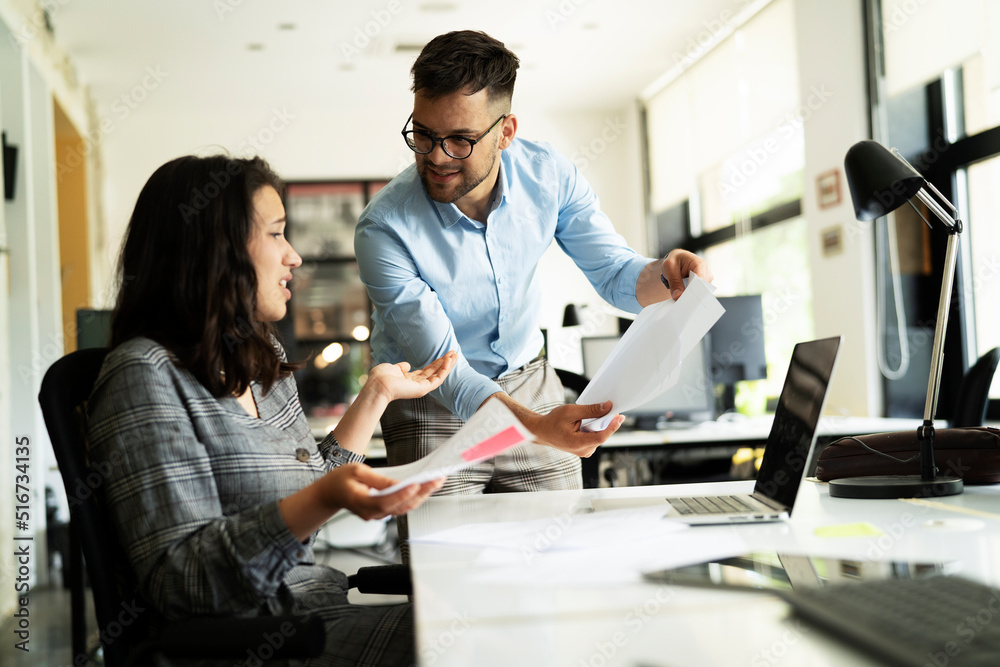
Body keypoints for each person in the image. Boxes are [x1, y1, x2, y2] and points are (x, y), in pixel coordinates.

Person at [86, 154, 457, 666]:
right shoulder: (144, 376)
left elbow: (308, 494)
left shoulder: (261, 360)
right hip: (257, 642)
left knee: (503, 613)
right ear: (216, 250)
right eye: (277, 234)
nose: (295, 257)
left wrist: (376, 395)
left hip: (317, 611)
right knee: (484, 637)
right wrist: (325, 497)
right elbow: (184, 583)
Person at [355, 30, 713, 496]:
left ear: (505, 132)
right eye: (423, 135)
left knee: (559, 552)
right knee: (447, 563)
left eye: (460, 140)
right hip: (429, 397)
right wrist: (539, 427)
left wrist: (667, 277)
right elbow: (448, 372)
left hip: (530, 381)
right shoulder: (384, 228)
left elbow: (614, 274)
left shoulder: (549, 176)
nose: (437, 157)